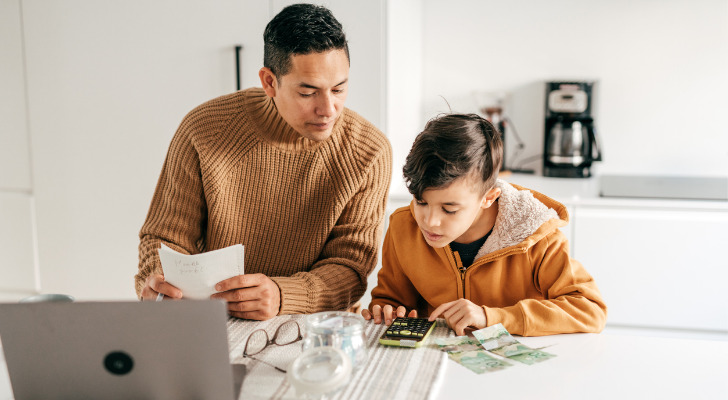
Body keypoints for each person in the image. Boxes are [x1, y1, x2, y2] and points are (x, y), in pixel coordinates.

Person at [135, 3, 392, 321]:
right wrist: (159, 281)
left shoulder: (369, 151)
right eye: (308, 92)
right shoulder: (205, 128)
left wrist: (283, 296)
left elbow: (350, 268)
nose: (329, 109)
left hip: (317, 327)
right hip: (212, 321)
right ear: (269, 81)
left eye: (339, 88)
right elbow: (165, 237)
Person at [362, 113, 606, 336]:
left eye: (449, 209)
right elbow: (392, 299)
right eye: (421, 201)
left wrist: (493, 317)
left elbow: (590, 310)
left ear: (488, 198)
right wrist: (387, 310)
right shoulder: (402, 226)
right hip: (438, 368)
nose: (429, 221)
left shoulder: (537, 236)